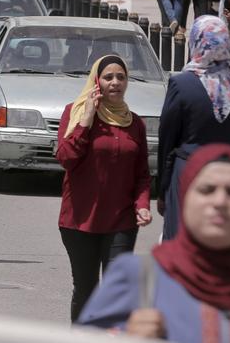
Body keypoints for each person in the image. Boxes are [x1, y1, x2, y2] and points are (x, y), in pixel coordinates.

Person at [78, 143, 230, 342]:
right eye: (207, 190)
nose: (220, 202)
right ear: (184, 198)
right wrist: (123, 337)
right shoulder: (137, 277)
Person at [56, 55, 152, 322]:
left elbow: (142, 174)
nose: (115, 82)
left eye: (121, 77)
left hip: (120, 220)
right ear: (96, 82)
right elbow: (65, 158)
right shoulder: (74, 113)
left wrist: (142, 204)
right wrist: (86, 121)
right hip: (79, 220)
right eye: (108, 77)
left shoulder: (135, 124)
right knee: (86, 290)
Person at [157, 15, 230, 241]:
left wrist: (163, 188)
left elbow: (167, 139)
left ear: (196, 42)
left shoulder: (181, 85)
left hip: (190, 176)